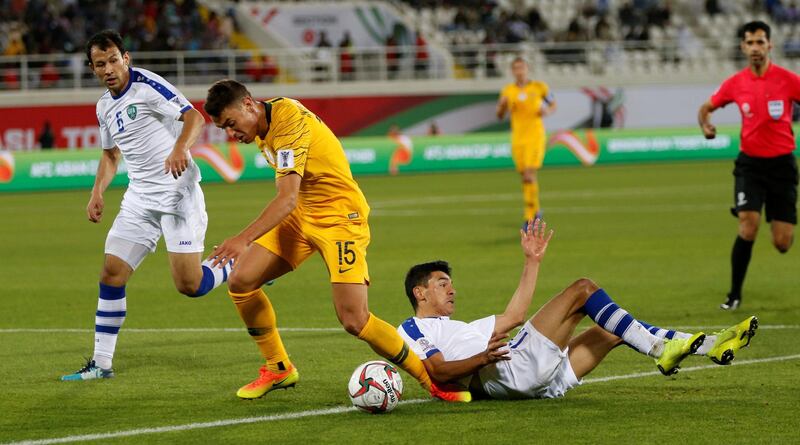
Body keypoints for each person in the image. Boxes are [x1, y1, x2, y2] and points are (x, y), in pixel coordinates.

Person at [202, 80, 468, 402]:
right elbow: (293, 200)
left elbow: (285, 199)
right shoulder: (264, 125)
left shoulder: (288, 124)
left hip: (340, 219)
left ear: (248, 104)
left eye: (230, 124)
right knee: (242, 280)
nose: (231, 134)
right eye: (223, 128)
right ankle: (279, 367)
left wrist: (243, 239)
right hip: (302, 217)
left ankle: (433, 381)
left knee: (354, 320)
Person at [397, 219, 759, 400]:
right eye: (442, 283)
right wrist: (481, 360)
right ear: (420, 292)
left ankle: (711, 344)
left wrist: (532, 261)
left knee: (612, 329)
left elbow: (514, 317)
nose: (452, 289)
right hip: (511, 370)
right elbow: (438, 370)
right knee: (584, 290)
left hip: (535, 378)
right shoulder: (414, 329)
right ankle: (662, 350)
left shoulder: (461, 327)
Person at [61, 30, 232, 381]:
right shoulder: (104, 106)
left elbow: (194, 118)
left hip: (176, 196)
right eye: (99, 64)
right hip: (139, 200)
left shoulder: (147, 85)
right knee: (111, 274)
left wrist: (179, 149)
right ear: (92, 69)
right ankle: (101, 365)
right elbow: (111, 155)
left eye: (113, 60)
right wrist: (97, 192)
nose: (108, 69)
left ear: (127, 58)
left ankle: (242, 262)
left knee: (190, 285)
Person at [698, 20, 800, 311]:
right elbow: (705, 108)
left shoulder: (789, 80)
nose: (755, 48)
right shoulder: (735, 83)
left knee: (782, 242)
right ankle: (734, 295)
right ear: (743, 47)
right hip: (750, 165)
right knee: (748, 226)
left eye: (760, 42)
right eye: (750, 43)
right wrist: (706, 125)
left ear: (770, 45)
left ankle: (782, 229)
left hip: (782, 166)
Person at [496, 57, 557, 228]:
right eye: (515, 68)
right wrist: (501, 107)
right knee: (525, 177)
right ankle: (536, 210)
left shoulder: (539, 87)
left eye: (521, 67)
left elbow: (553, 104)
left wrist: (547, 111)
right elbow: (499, 115)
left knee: (530, 174)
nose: (519, 71)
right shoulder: (508, 91)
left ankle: (529, 217)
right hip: (518, 138)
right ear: (512, 71)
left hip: (535, 136)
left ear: (527, 69)